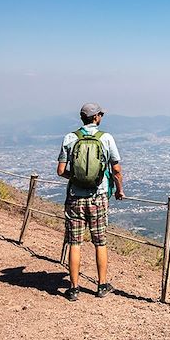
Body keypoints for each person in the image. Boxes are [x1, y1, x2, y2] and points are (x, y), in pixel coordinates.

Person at [57, 102, 124, 301]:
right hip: (99, 197)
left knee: (74, 243)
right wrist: (119, 190)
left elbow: (61, 171)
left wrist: (77, 178)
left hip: (75, 198)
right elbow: (117, 170)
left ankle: (74, 288)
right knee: (100, 242)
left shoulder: (70, 138)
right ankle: (102, 286)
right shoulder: (106, 138)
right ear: (96, 117)